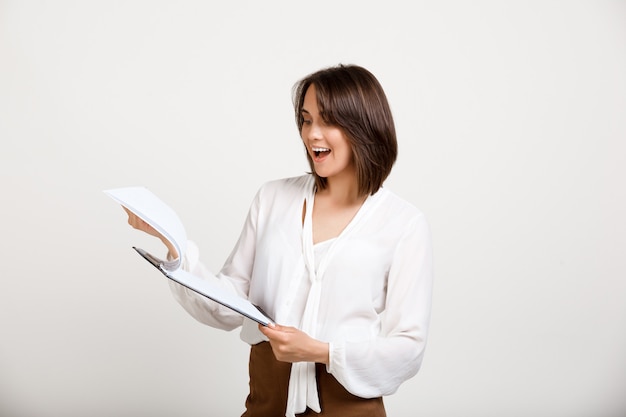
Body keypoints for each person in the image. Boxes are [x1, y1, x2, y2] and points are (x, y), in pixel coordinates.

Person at [125, 64, 433, 417]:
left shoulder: (404, 224)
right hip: (266, 403)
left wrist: (321, 351)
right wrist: (174, 244)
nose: (313, 134)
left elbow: (409, 348)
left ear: (364, 127)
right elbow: (226, 305)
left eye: (328, 121)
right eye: (306, 119)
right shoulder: (273, 199)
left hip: (349, 408)